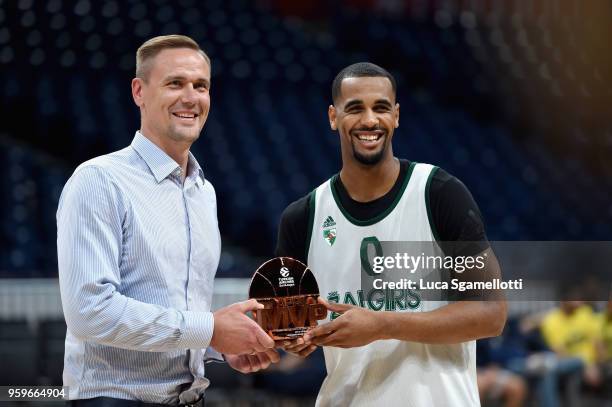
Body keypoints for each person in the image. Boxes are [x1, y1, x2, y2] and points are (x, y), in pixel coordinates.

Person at [57, 35, 278, 407]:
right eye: (175, 83)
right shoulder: (99, 180)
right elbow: (89, 312)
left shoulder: (203, 192)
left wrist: (218, 345)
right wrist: (210, 327)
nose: (191, 97)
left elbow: (178, 311)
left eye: (200, 86)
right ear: (139, 91)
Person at [275, 62, 507, 405]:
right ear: (333, 116)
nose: (370, 120)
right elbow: (290, 328)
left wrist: (383, 324)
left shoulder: (439, 192)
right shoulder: (301, 218)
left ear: (396, 116)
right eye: (355, 108)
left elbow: (492, 314)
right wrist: (292, 338)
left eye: (381, 107)